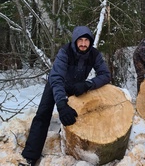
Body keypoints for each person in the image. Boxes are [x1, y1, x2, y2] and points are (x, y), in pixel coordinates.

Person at [19, 26, 111, 166]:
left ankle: (70, 143)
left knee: (77, 115)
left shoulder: (94, 54)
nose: (83, 44)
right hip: (56, 83)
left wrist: (88, 84)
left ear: (90, 42)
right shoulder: (65, 52)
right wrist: (61, 103)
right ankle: (30, 156)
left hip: (77, 86)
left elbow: (105, 75)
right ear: (75, 41)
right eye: (80, 40)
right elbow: (56, 77)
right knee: (43, 114)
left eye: (86, 40)